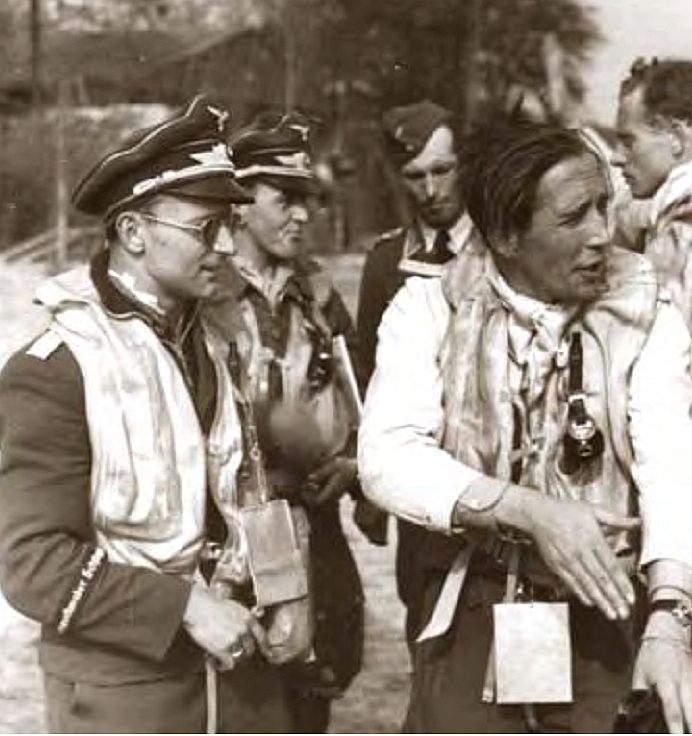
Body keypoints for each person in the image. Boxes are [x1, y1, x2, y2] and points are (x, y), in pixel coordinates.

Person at [359, 116, 692, 733]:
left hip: (610, 609)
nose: (602, 234)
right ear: (506, 236)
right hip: (474, 610)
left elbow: (672, 467)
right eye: (573, 218)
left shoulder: (646, 311)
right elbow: (387, 456)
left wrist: (670, 616)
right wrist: (530, 512)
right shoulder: (431, 306)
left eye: (604, 206)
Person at [0, 96, 307, 733]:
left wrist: (284, 588)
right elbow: (31, 562)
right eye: (206, 228)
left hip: (241, 677)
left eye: (230, 225)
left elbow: (247, 479)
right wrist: (185, 606)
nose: (228, 246)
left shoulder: (217, 340)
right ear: (134, 233)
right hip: (127, 694)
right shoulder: (59, 366)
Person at [204, 112, 364, 734]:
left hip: (315, 532)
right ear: (240, 204)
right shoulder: (203, 294)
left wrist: (350, 466)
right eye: (285, 199)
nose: (302, 215)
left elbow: (358, 403)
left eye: (309, 200)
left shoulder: (318, 295)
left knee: (310, 700)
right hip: (233, 543)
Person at [355, 99, 485, 644]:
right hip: (424, 484)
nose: (431, 190)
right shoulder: (387, 262)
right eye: (414, 176)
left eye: (442, 170)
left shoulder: (503, 246)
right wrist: (368, 487)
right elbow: (367, 374)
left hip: (495, 472)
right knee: (426, 620)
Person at [615, 58, 692, 325]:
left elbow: (654, 333)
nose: (616, 157)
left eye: (628, 142)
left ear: (676, 138)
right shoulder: (664, 212)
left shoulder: (682, 222)